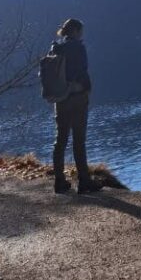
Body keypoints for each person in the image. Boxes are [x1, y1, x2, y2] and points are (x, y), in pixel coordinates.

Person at [50, 18, 103, 195]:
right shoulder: (78, 47)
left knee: (61, 140)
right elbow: (83, 69)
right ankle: (84, 182)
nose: (82, 35)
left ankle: (59, 182)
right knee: (79, 141)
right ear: (75, 31)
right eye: (80, 31)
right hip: (77, 98)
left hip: (60, 99)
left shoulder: (56, 48)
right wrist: (86, 88)